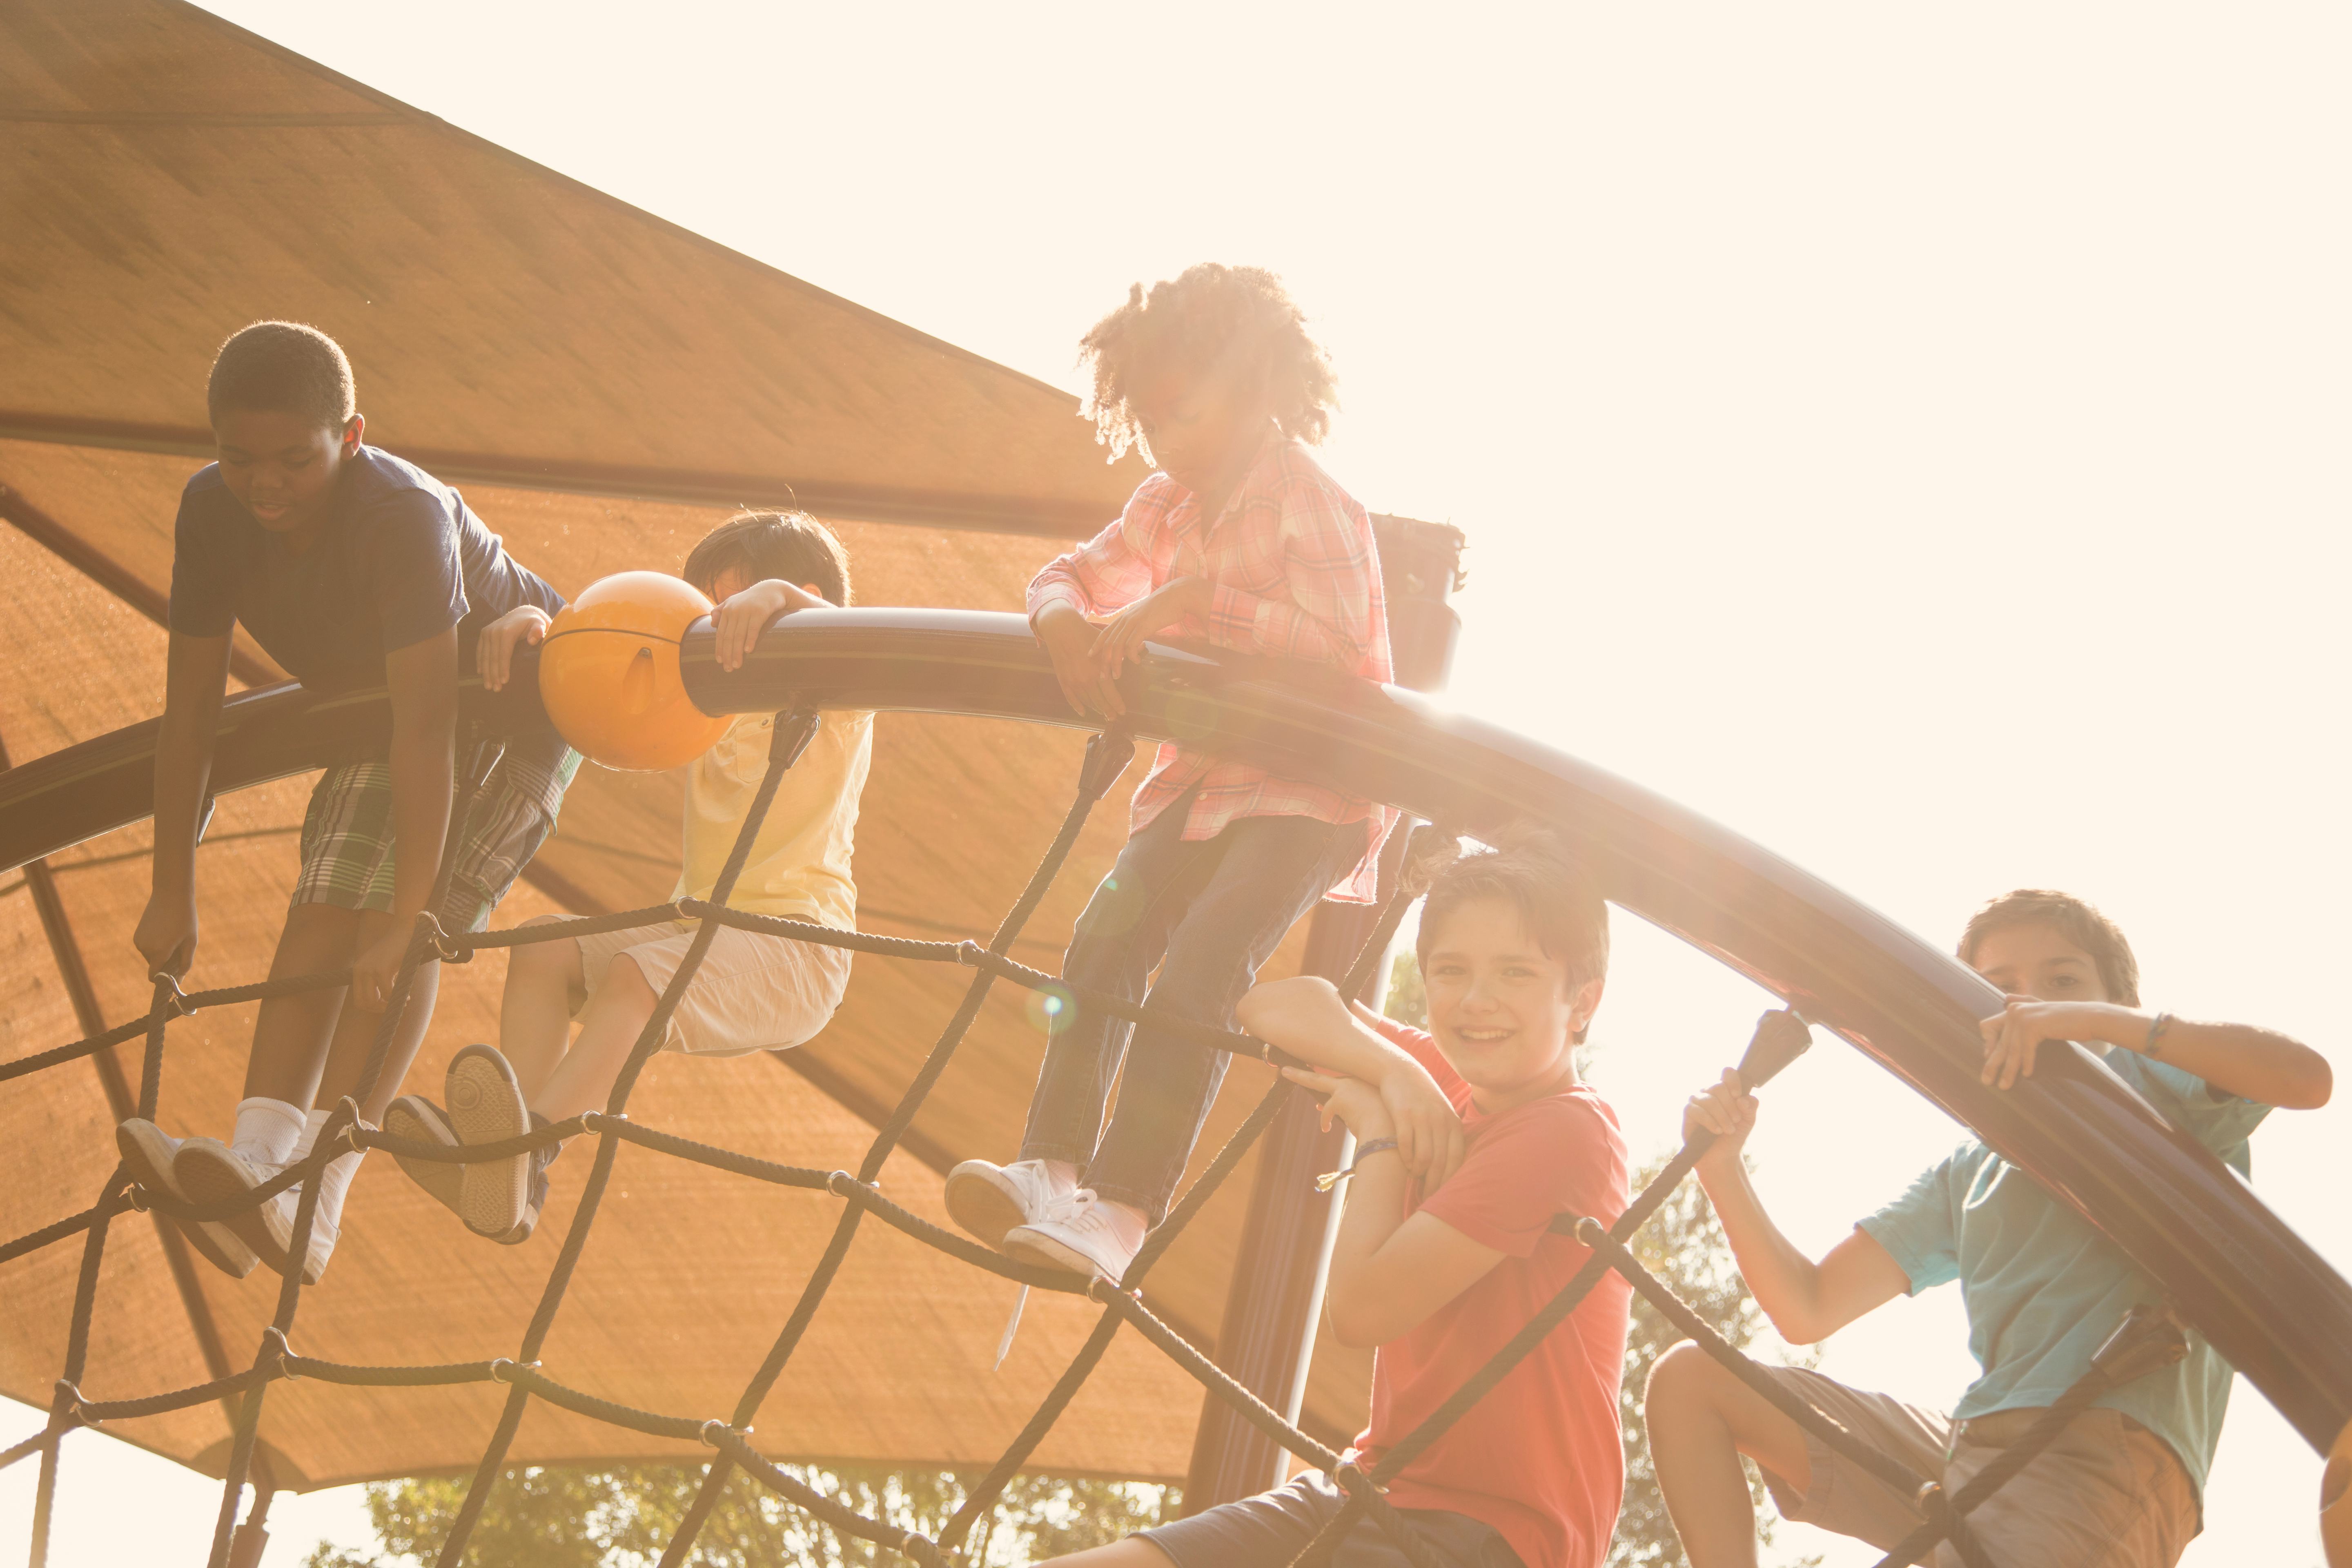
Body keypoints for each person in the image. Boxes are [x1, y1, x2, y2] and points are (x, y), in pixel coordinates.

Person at [1646, 889, 2333, 1568]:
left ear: (2108, 1006)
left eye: (2061, 983)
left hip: (2097, 1448)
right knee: (1692, 1381)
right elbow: (1808, 1305)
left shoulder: (2147, 1092)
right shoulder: (1973, 1166)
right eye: (1996, 989)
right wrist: (1722, 1169)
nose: (2026, 1004)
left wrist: (2114, 1027)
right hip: (1967, 1451)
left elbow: (2307, 1079)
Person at [945, 263, 1398, 1281]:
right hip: (1200, 781)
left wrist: (1183, 603)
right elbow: (1063, 574)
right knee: (1104, 938)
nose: (1163, 441)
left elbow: (1338, 649)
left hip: (1304, 795)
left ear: (1253, 393)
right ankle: (1052, 1168)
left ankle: (1124, 1209)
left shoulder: (1316, 505)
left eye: (1183, 415)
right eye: (1147, 420)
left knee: (1199, 966)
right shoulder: (1162, 504)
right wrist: (1067, 627)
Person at [114, 321, 577, 1284]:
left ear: (353, 436)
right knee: (322, 908)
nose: (264, 485)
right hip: (384, 711)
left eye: (297, 459)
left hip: (506, 706)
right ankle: (256, 1165)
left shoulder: (399, 514)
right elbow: (191, 711)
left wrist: (408, 918)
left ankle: (314, 1201)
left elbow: (427, 729)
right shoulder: (211, 512)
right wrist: (173, 888)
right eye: (239, 458)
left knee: (395, 937)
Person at [1042, 838, 1632, 1568]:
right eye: (1451, 971)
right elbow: (1272, 1002)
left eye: (1516, 972)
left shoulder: (1568, 1130)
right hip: (1375, 1487)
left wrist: (1380, 1133)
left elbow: (1360, 1310)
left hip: (1501, 1532)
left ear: (1583, 1000)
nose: (1476, 1001)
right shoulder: (1440, 1076)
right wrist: (1397, 1073)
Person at [380, 510, 872, 1245]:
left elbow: (841, 631)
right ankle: (498, 1157)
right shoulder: (701, 696)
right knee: (543, 944)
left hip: (799, 945)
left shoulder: (837, 698)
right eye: (704, 615)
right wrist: (537, 627)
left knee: (639, 976)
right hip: (700, 925)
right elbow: (612, 659)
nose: (712, 632)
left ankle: (530, 1155)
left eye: (729, 612)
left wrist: (778, 598)